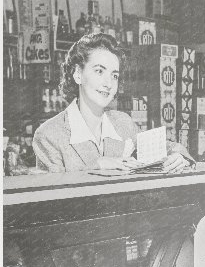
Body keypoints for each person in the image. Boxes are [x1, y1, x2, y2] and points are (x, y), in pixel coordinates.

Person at [31, 32, 192, 174]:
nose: (108, 83)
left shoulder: (122, 123)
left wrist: (178, 158)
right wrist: (96, 165)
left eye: (114, 75)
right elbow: (52, 200)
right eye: (99, 71)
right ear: (78, 74)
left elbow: (167, 147)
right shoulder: (48, 135)